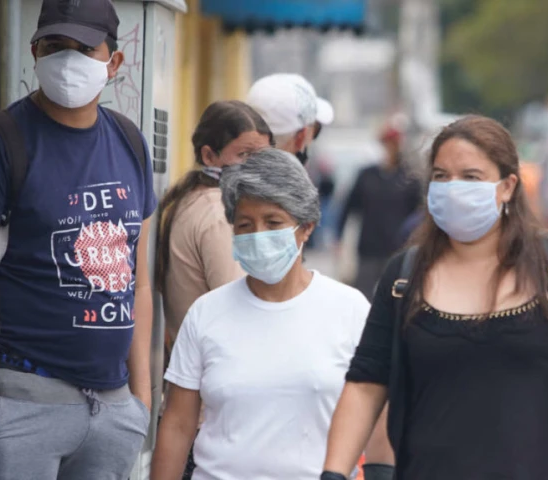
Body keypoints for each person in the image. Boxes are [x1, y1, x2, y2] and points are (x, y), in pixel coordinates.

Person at [322, 115, 548, 480]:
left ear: (507, 186)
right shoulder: (404, 276)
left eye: (471, 177)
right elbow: (366, 385)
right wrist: (334, 473)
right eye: (441, 176)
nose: (453, 187)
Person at [0, 0, 156, 478]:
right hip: (22, 404)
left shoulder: (129, 143)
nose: (68, 59)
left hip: (115, 410)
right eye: (55, 46)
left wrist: (139, 402)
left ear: (114, 62)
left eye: (83, 48)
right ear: (35, 50)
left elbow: (137, 282)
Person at [150, 149, 383, 480]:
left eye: (273, 222)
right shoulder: (207, 313)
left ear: (306, 228)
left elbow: (377, 418)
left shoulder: (350, 309)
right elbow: (177, 423)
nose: (258, 235)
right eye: (245, 224)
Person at [156, 100, 272, 342]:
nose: (257, 167)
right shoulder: (219, 214)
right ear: (209, 156)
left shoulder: (194, 198)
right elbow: (238, 304)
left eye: (264, 156)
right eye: (245, 155)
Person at [336, 121, 422, 300]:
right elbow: (349, 207)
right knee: (362, 295)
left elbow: (419, 214)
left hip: (398, 247)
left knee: (395, 296)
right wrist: (339, 237)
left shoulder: (409, 178)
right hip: (369, 246)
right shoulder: (367, 175)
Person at [246, 73, 333, 165]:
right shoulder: (295, 178)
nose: (311, 142)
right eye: (315, 132)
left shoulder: (231, 173)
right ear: (300, 137)